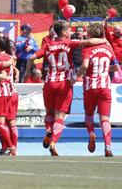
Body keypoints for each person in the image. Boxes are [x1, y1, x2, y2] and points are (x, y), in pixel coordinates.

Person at [26, 20, 107, 156]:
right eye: (69, 30)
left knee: (49, 113)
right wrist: (103, 41)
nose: (71, 32)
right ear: (63, 32)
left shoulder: (48, 44)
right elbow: (88, 42)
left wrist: (28, 73)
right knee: (60, 116)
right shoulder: (68, 42)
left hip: (49, 83)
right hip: (64, 83)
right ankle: (53, 143)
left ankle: (48, 130)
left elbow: (31, 57)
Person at [75, 23, 119, 157]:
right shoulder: (108, 48)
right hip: (105, 86)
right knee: (105, 119)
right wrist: (105, 69)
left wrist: (76, 76)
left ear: (90, 35)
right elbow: (116, 67)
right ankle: (108, 146)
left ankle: (92, 133)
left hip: (90, 86)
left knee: (89, 115)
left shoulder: (87, 48)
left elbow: (85, 65)